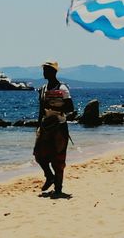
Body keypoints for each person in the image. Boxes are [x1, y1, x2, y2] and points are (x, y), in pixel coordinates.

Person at [33, 61, 74, 196]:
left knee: (58, 159)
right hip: (45, 126)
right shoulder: (43, 89)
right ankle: (49, 176)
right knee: (39, 155)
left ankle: (58, 189)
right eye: (44, 70)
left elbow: (70, 108)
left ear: (54, 72)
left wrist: (55, 108)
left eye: (47, 70)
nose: (44, 72)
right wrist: (38, 126)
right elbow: (41, 109)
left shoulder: (62, 88)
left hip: (59, 126)